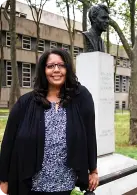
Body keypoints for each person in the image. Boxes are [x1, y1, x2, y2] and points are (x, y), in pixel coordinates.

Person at [0, 48, 99, 195]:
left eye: (61, 65)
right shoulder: (25, 103)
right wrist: (3, 180)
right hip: (30, 185)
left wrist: (93, 170)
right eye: (50, 66)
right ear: (43, 70)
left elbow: (90, 135)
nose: (56, 70)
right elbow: (8, 142)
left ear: (68, 69)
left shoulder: (80, 99)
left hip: (64, 185)